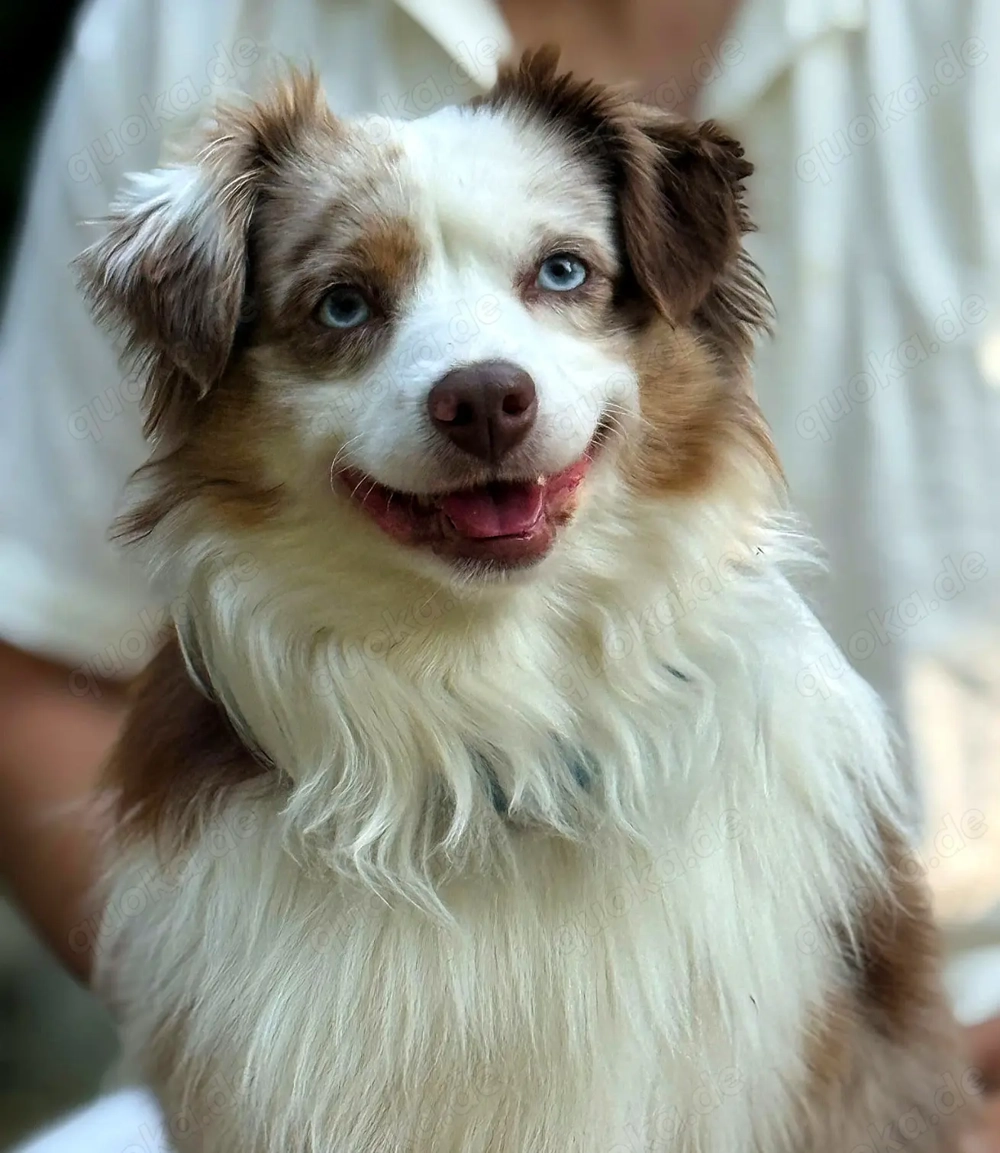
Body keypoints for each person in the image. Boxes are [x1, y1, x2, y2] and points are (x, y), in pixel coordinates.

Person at [2, 0, 999, 1149]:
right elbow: (32, 651)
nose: (478, 375)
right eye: (344, 304)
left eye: (561, 275)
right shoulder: (174, 29)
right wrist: (233, 1018)